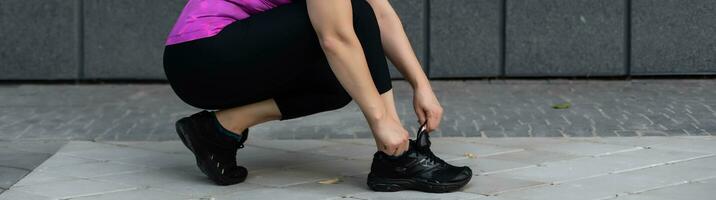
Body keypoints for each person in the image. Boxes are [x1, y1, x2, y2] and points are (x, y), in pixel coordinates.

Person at [162, 0, 472, 193]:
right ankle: (396, 156)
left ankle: (216, 131)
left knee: (340, 80)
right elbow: (336, 36)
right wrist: (382, 121)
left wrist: (422, 85)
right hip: (200, 55)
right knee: (351, 16)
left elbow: (382, 16)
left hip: (216, 55)